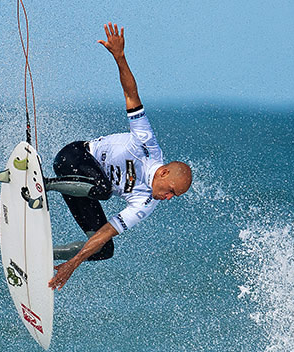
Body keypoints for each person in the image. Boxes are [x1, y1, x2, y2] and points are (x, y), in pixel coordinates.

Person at [46, 22, 192, 291]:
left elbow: (106, 232)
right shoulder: (146, 145)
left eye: (174, 196)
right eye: (171, 190)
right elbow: (131, 94)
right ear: (163, 173)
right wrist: (120, 57)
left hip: (82, 190)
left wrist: (72, 265)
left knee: (104, 249)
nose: (169, 198)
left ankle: (44, 254)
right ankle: (42, 185)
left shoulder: (146, 203)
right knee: (103, 189)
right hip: (73, 158)